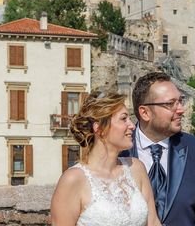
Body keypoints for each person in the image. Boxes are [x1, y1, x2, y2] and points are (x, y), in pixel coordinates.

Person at [122, 72, 195, 226]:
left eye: (180, 101)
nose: (181, 109)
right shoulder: (119, 150)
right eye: (171, 104)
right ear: (145, 112)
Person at [51, 91, 161, 226]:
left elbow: (154, 222)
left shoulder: (136, 168)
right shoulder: (73, 179)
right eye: (123, 119)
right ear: (100, 128)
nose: (132, 125)